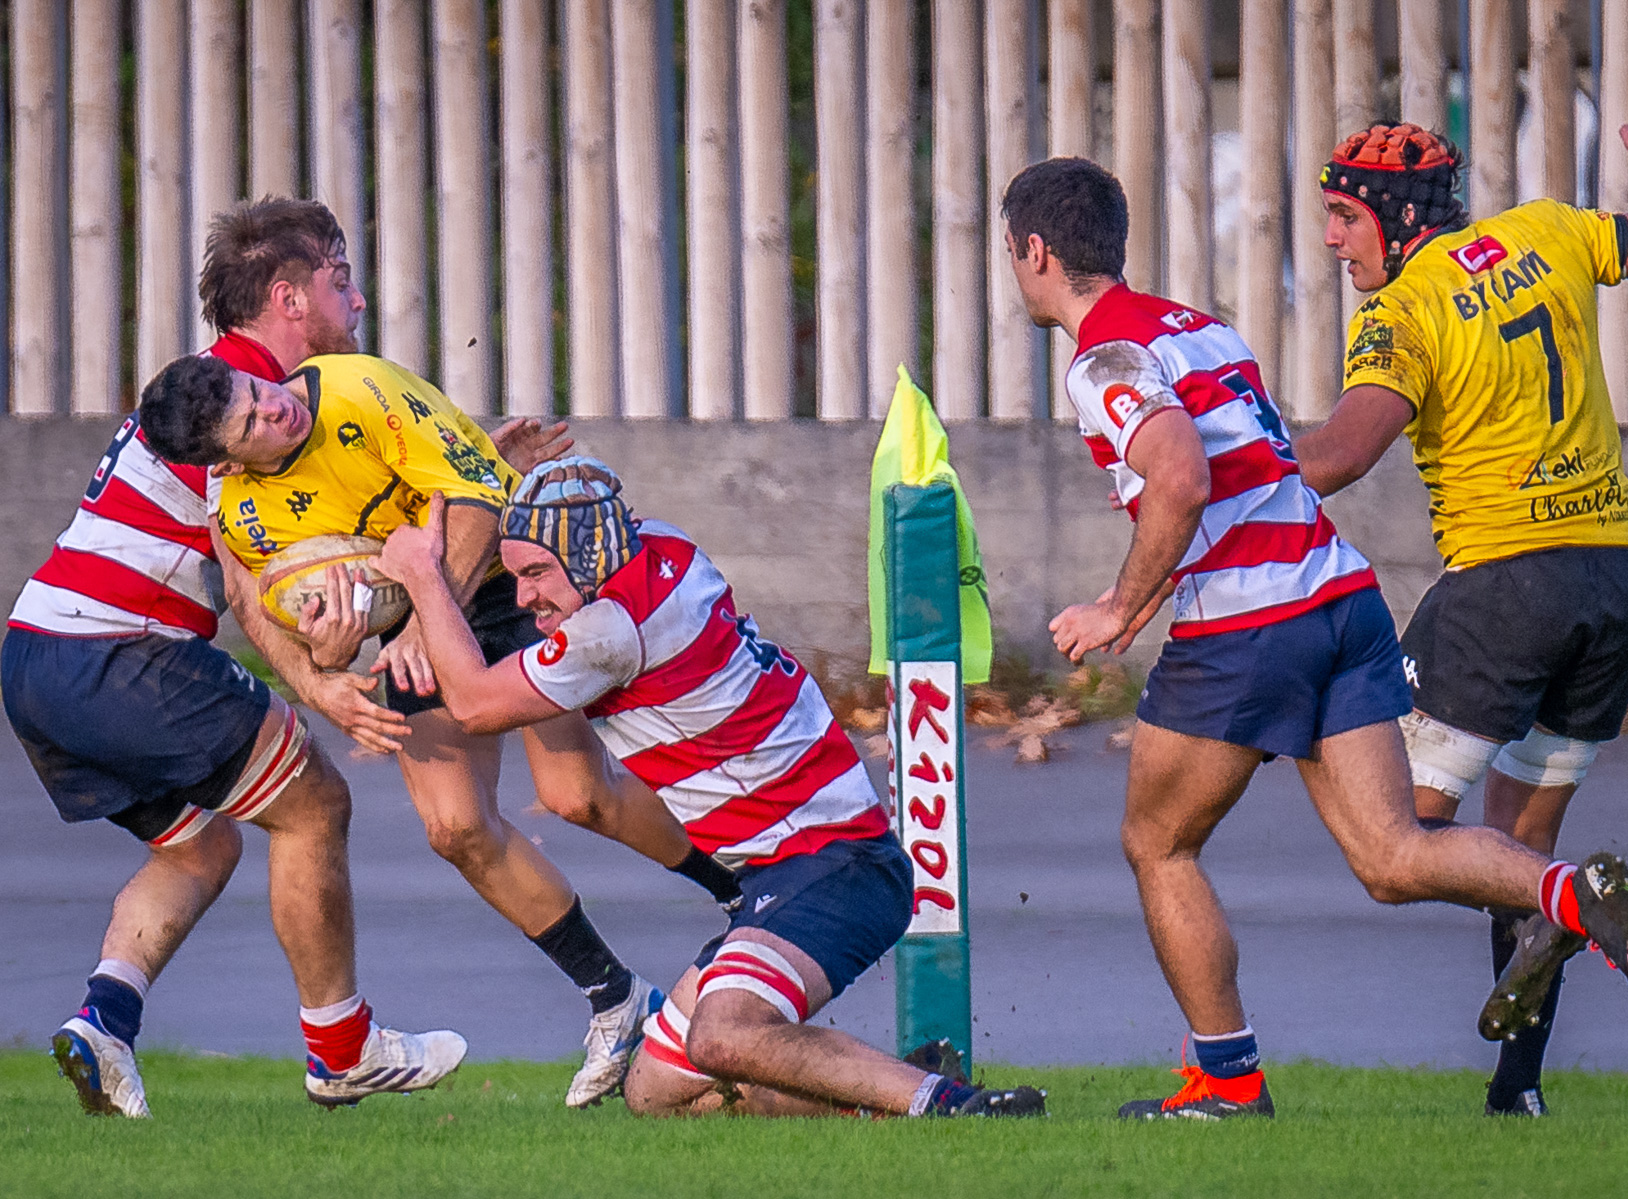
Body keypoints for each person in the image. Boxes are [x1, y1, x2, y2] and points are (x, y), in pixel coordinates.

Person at [998, 155, 1628, 1122]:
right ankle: (1571, 896)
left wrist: (1118, 604)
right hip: (1341, 598)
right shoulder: (1202, 328)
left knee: (1157, 842)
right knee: (1392, 855)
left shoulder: (1104, 358)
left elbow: (1181, 478)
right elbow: (1267, 463)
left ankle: (1228, 1085)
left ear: (1034, 251)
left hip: (1247, 622)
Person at [140, 223, 741, 1105]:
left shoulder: (357, 386)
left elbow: (475, 499)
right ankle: (617, 1000)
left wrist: (432, 616)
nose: (274, 406)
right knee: (454, 827)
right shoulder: (247, 518)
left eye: (255, 390)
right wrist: (334, 654)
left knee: (578, 794)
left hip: (509, 569)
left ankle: (743, 891)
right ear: (227, 462)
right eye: (249, 420)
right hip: (429, 604)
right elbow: (304, 618)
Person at [369, 459, 1046, 1119]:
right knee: (655, 1089)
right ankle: (890, 1092)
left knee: (724, 1036)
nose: (522, 597)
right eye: (515, 576)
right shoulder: (663, 544)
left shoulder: (611, 630)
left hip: (831, 864)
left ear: (590, 554)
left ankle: (952, 1105)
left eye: (537, 573)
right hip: (789, 866)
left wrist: (424, 576)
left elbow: (474, 706)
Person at [1296, 117, 1628, 1116]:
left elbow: (1342, 455)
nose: (1330, 239)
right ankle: (1517, 1092)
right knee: (1520, 849)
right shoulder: (1549, 233)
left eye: (1341, 216)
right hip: (1615, 583)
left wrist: (1209, 466)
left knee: (1395, 840)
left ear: (1396, 219)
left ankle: (1572, 899)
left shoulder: (1403, 312)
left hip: (1503, 589)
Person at [4, 208, 465, 1112]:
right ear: (288, 299)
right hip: (118, 650)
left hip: (32, 655)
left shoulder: (208, 390)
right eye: (339, 278)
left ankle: (103, 1021)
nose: (357, 298)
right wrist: (319, 683)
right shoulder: (251, 395)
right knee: (314, 803)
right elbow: (248, 583)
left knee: (202, 841)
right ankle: (342, 1048)